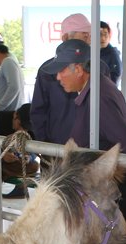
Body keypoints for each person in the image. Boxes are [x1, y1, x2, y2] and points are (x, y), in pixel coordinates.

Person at [43, 38, 126, 225]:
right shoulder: (95, 91)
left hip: (114, 197)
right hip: (106, 193)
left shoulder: (100, 97)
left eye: (61, 70)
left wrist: (101, 177)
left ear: (78, 69)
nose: (58, 77)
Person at [30, 13, 92, 146]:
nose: (88, 40)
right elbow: (38, 111)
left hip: (90, 149)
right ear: (65, 38)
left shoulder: (99, 68)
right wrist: (44, 147)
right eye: (84, 36)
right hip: (57, 148)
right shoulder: (47, 71)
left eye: (90, 36)